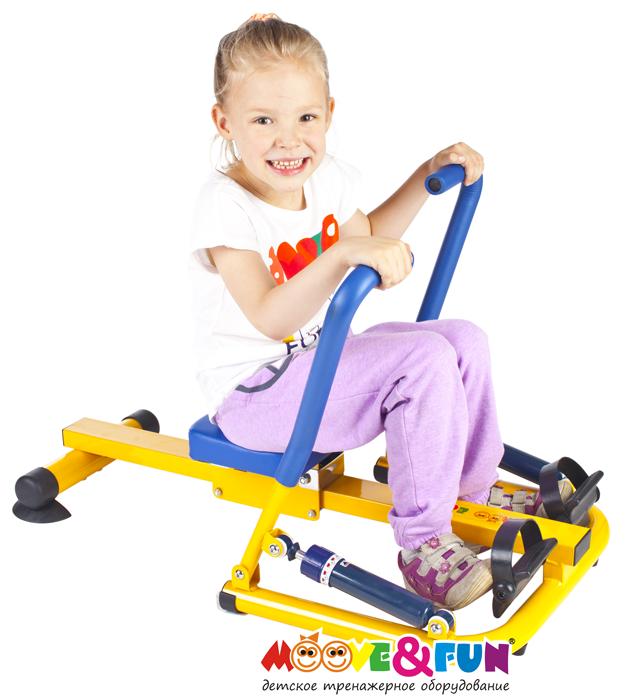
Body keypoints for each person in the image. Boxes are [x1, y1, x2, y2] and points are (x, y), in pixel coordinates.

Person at [189, 14, 567, 610]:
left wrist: (424, 177)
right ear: (224, 122)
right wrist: (343, 254)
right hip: (253, 396)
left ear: (328, 114)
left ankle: (471, 489)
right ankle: (423, 545)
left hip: (319, 362)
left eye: (305, 118)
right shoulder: (225, 206)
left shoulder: (327, 181)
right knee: (422, 359)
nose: (289, 141)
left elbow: (370, 236)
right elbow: (270, 317)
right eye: (263, 121)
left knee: (462, 340)